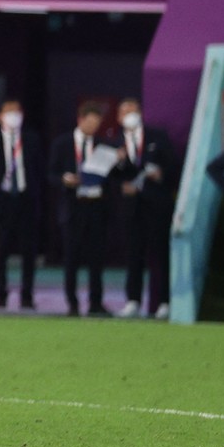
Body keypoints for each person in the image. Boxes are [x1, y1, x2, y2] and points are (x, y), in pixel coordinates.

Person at [47, 101, 112, 317]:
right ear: (81, 120)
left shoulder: (103, 145)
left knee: (96, 258)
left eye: (97, 123)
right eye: (90, 122)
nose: (93, 127)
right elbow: (51, 174)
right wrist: (64, 180)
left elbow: (112, 177)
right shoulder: (62, 143)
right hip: (73, 207)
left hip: (96, 207)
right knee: (71, 258)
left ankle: (96, 302)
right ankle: (72, 303)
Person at [113, 98, 175, 319]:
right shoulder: (114, 142)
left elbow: (173, 165)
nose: (130, 114)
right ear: (119, 117)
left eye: (134, 110)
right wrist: (120, 174)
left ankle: (164, 302)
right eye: (125, 111)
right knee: (133, 255)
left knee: (159, 254)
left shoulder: (157, 136)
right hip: (131, 209)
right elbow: (110, 177)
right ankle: (133, 300)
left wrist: (161, 175)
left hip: (157, 206)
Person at [0, 99, 42, 310]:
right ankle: (1, 293)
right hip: (2, 200)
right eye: (9, 112)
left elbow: (38, 170)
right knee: (0, 250)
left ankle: (27, 295)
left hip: (25, 199)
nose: (14, 115)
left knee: (29, 251)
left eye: (17, 111)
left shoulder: (31, 140)